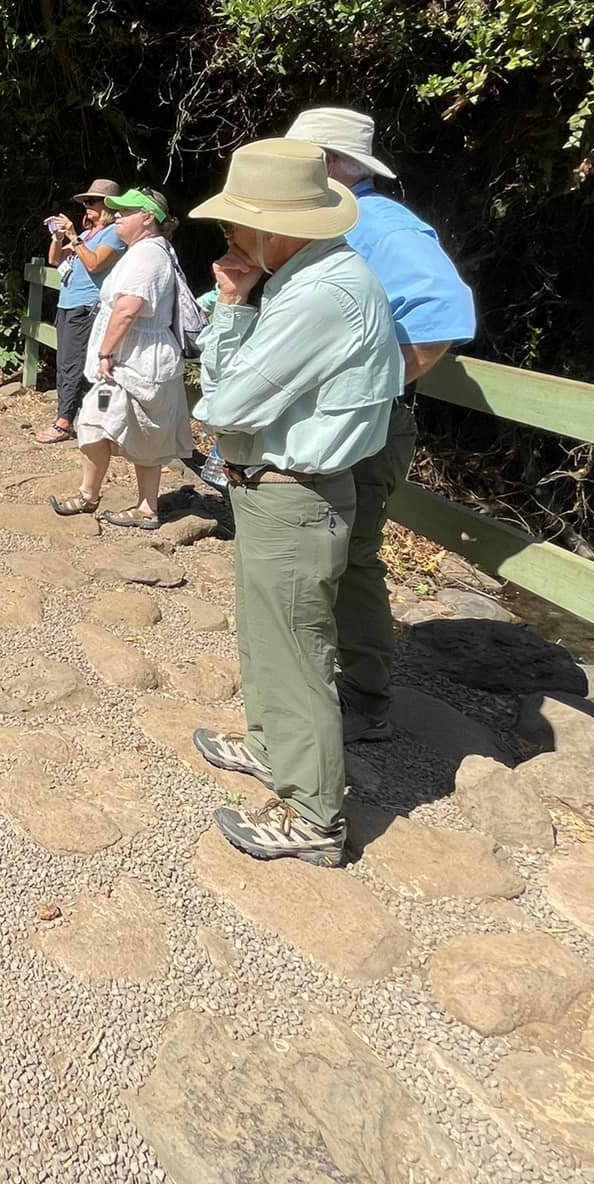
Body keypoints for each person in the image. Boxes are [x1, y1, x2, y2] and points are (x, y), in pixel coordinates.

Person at [186, 140, 404, 867]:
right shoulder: (311, 277)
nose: (228, 241)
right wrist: (239, 305)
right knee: (268, 636)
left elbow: (225, 403)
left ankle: (313, 814)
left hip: (294, 493)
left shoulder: (317, 294)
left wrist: (232, 308)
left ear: (274, 229)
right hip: (274, 490)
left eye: (234, 228)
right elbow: (234, 396)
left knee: (296, 655)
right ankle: (268, 745)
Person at [283, 106, 477, 744]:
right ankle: (317, 687)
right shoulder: (330, 222)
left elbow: (442, 314)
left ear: (336, 164)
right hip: (325, 423)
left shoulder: (384, 226)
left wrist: (365, 391)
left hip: (361, 428)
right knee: (315, 554)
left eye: (302, 157)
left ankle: (361, 699)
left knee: (350, 558)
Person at [47, 190, 189, 526]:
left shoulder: (148, 255)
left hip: (137, 361)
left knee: (140, 431)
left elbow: (128, 308)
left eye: (126, 211)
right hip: (135, 358)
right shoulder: (144, 251)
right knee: (97, 422)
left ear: (148, 217)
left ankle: (142, 507)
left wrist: (106, 352)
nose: (118, 216)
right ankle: (91, 494)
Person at [38, 179, 124, 444]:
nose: (86, 207)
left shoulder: (113, 234)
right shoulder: (88, 235)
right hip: (67, 303)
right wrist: (59, 237)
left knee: (73, 364)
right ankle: (76, 417)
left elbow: (96, 264)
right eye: (85, 203)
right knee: (64, 362)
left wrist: (74, 237)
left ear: (107, 205)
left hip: (87, 306)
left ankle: (64, 422)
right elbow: (55, 260)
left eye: (91, 202)